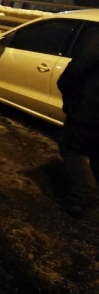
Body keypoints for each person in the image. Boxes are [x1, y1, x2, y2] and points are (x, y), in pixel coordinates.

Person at [57, 42, 99, 221]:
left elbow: (72, 74)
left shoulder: (95, 43)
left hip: (89, 112)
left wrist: (71, 103)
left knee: (72, 148)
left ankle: (83, 198)